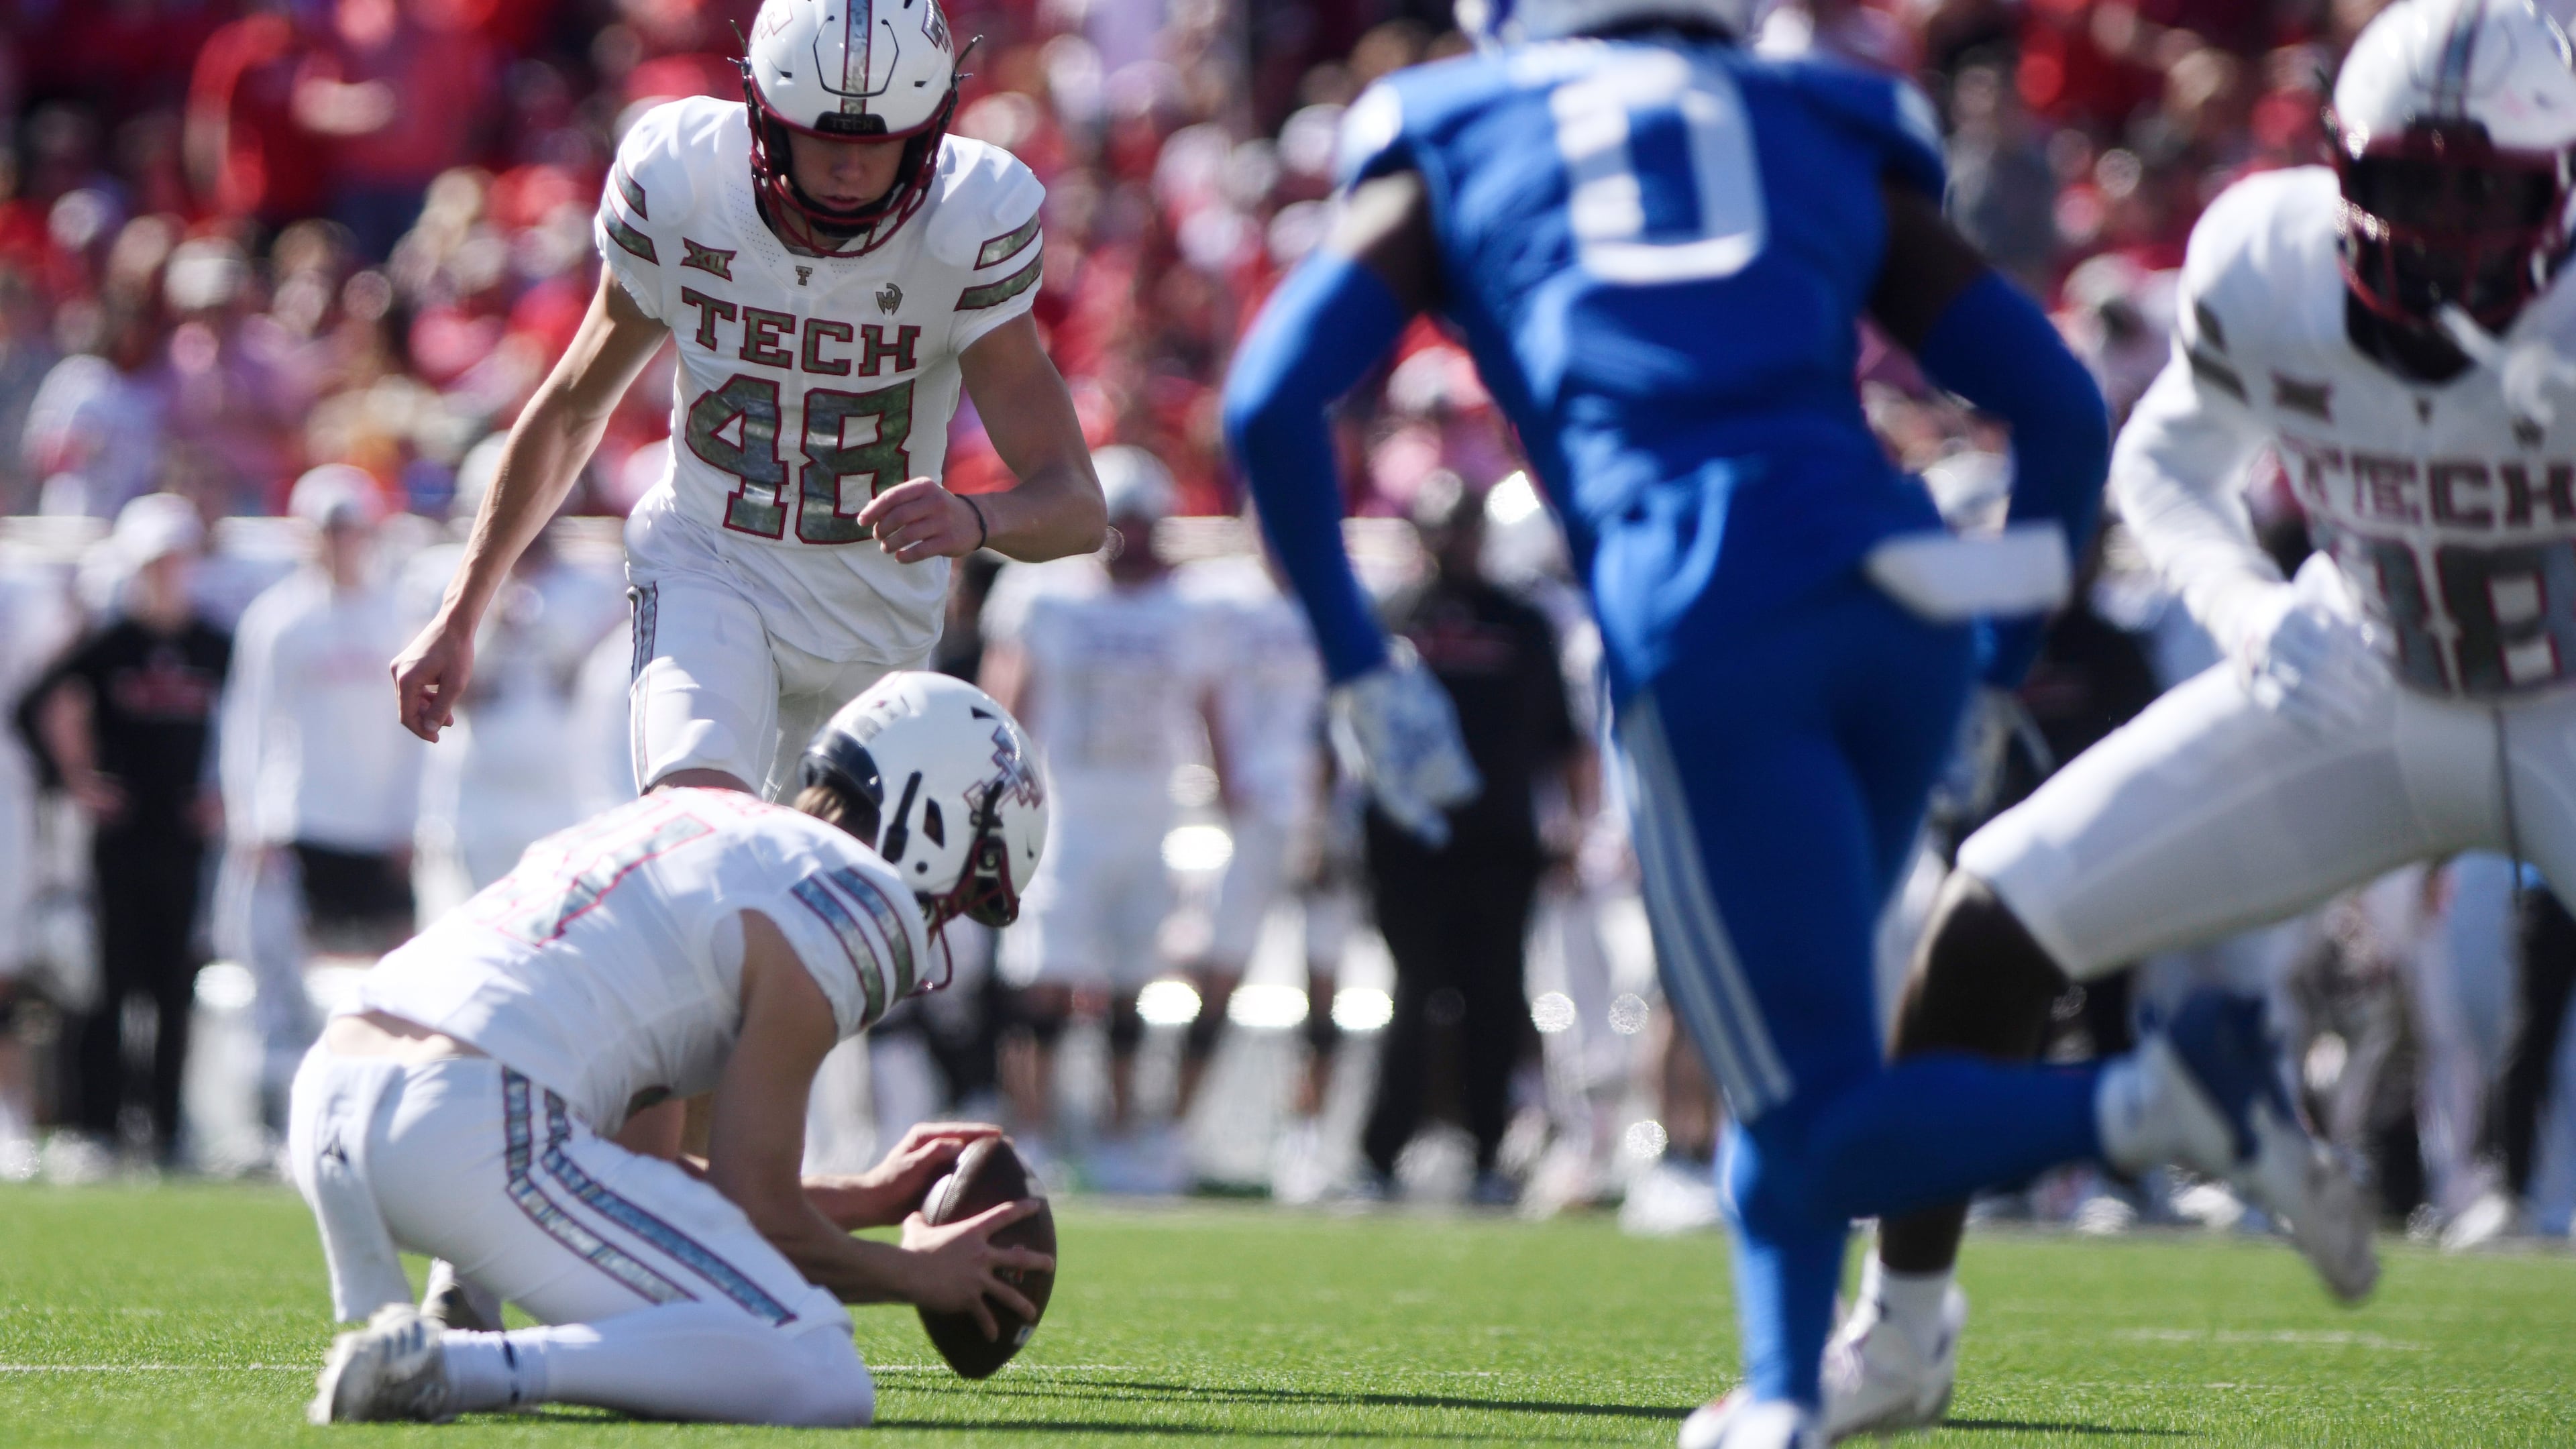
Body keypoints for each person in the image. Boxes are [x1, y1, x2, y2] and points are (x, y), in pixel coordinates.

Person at [1216, 0, 2374, 1440]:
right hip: (1902, 598)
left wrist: (1353, 660)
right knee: (1790, 1057)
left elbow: (1270, 402)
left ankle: (2160, 1103)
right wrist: (2000, 664)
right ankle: (1785, 1397)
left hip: (1706, 602)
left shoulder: (1458, 125)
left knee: (1811, 1103)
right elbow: (2061, 413)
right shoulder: (1822, 114)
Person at [1827, 0, 2576, 1436]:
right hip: (2361, 678)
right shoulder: (2271, 259)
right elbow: (2165, 462)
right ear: (2344, 170)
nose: (2444, 231)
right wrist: (2248, 604)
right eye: (2410, 185)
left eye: (2485, 193)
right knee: (1991, 918)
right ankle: (1903, 1332)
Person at [390, 0, 1105, 808]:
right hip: (712, 564)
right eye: (823, 135)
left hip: (876, 623)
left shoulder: (968, 220)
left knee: (842, 913)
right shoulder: (686, 181)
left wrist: (978, 521)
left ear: (930, 129)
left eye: (878, 143)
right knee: (704, 834)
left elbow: (1077, 507)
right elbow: (571, 409)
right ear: (765, 114)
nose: (847, 168)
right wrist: (460, 612)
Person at [293, 672, 1054, 1426]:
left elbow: (646, 1173)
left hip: (337, 1092)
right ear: (937, 824)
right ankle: (451, 1368)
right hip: (472, 1118)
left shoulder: (701, 818)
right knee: (818, 1366)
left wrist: (865, 1200)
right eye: (965, 893)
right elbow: (763, 1212)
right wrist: (919, 1274)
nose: (941, 924)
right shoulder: (854, 895)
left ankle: (464, 1301)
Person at [981, 447, 1222, 1186]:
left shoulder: (1190, 605)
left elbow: (1211, 706)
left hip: (1150, 812)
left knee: (1130, 984)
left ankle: (1120, 1133)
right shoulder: (1046, 596)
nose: (1130, 540)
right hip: (1066, 811)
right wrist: (994, 791)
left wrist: (1226, 787)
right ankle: (1037, 1129)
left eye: (1142, 523)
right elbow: (1007, 698)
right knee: (1044, 982)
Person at [1355, 478, 1580, 1203]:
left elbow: (1560, 738)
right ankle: (1382, 1152)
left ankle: (1487, 1151)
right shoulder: (1390, 617)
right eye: (1439, 529)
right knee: (1417, 993)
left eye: (1463, 529)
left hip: (1498, 839)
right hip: (1407, 842)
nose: (1452, 543)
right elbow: (1341, 729)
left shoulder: (1523, 622)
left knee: (1493, 995)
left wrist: (1572, 824)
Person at [18, 494, 231, 1166]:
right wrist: (78, 778)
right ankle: (102, 1125)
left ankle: (166, 1129)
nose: (168, 574)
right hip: (121, 836)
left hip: (185, 837)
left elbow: (255, 722)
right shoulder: (111, 644)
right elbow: (35, 703)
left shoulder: (214, 643)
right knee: (112, 979)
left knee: (174, 982)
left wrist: (227, 793)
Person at [217, 465, 427, 1132]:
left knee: (394, 971)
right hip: (304, 819)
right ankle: (284, 1115)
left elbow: (418, 736)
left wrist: (410, 820)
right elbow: (249, 722)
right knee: (287, 976)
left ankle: (382, 1109)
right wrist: (251, 816)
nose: (341, 543)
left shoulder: (399, 615)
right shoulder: (280, 620)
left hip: (379, 826)